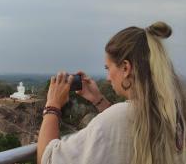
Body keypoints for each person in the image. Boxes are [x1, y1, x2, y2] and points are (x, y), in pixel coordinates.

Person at [37, 21, 186, 164]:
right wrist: (98, 100)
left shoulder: (119, 116)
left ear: (126, 68)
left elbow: (48, 159)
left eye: (108, 68)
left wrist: (52, 105)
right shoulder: (173, 111)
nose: (108, 78)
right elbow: (130, 124)